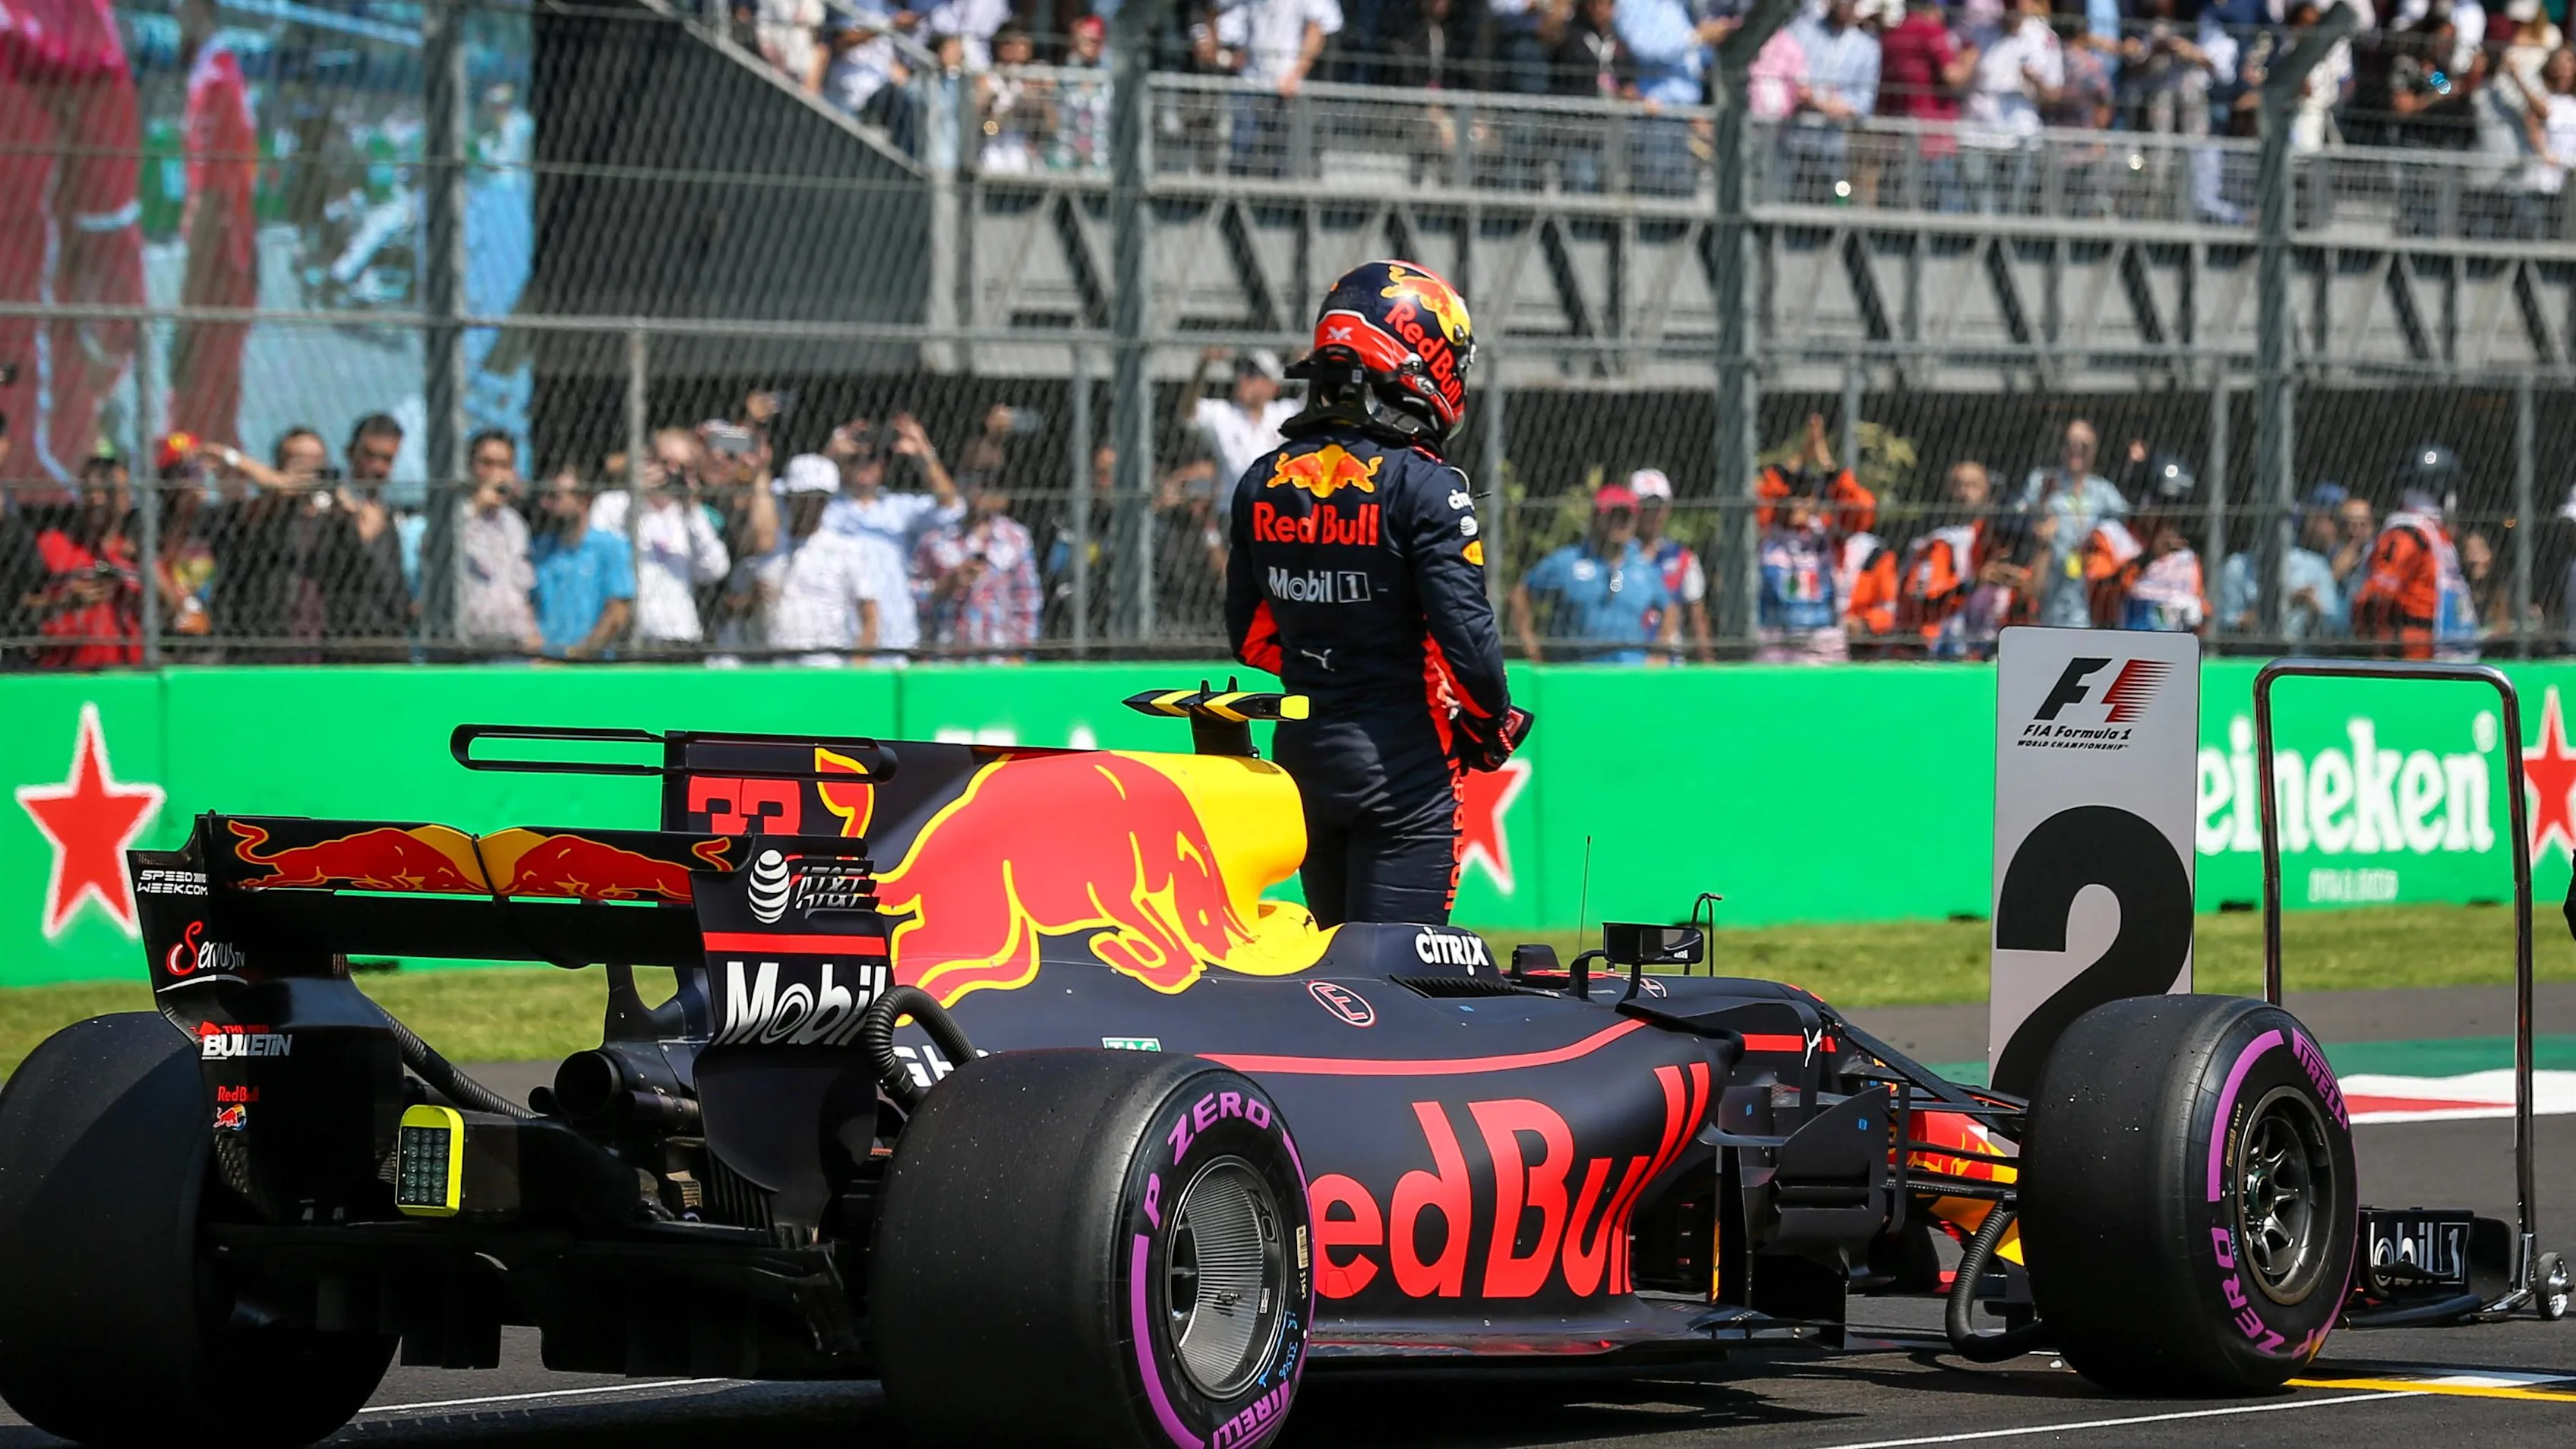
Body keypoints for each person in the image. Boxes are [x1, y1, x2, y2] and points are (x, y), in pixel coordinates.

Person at [1225, 259, 1525, 929]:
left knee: (1339, 991)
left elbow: (1248, 635)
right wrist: (1490, 723)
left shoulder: (1259, 480)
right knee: (1400, 995)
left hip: (1305, 760)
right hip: (1405, 770)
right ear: (1423, 354)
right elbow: (1470, 649)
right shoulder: (1428, 485)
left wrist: (1332, 654)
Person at [168, 0, 256, 450]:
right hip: (225, 255)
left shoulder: (217, 80)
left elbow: (215, 194)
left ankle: (201, 492)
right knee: (207, 390)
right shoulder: (216, 73)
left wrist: (190, 293)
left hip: (220, 260)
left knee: (200, 390)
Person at [824, 413, 962, 661]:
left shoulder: (899, 507)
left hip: (894, 633)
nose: (865, 464)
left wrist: (923, 453)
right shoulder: (826, 507)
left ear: (884, 466)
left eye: (874, 458)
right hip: (839, 635)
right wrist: (831, 453)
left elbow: (952, 508)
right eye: (856, 458)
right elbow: (786, 501)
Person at [590, 428, 731, 651]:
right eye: (667, 464)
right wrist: (637, 497)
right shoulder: (613, 504)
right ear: (649, 460)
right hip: (630, 637)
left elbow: (715, 570)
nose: (673, 473)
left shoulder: (691, 516)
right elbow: (597, 556)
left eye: (684, 469)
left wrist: (691, 508)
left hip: (682, 636)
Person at [1513, 483, 1677, 663]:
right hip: (1576, 672)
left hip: (1630, 674)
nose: (1619, 523)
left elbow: (1669, 609)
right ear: (1596, 517)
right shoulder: (1566, 562)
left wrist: (1659, 654)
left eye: (1625, 517)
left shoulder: (1644, 567)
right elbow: (1522, 593)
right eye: (1612, 516)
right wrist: (1529, 642)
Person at [2350, 444, 2477, 658]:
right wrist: (2384, 657)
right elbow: (2376, 598)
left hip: (2441, 659)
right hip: (2414, 662)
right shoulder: (2407, 534)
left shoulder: (2433, 535)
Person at [761, 453, 881, 665]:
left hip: (826, 664)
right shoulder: (768, 548)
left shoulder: (845, 549)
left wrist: (860, 665)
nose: (811, 506)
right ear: (789, 497)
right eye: (804, 497)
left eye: (819, 499)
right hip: (776, 663)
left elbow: (870, 613)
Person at [27, 451, 141, 666]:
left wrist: (148, 564)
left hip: (127, 678)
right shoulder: (53, 544)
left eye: (107, 489)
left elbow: (174, 611)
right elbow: (16, 607)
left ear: (126, 499)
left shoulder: (139, 557)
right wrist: (63, 602)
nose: (97, 497)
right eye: (89, 489)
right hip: (65, 676)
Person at [915, 475, 1041, 658]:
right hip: (946, 658)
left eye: (989, 484)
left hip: (998, 659)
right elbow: (911, 592)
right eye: (973, 481)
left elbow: (1027, 601)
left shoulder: (1016, 537)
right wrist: (942, 587)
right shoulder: (935, 536)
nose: (979, 490)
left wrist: (1019, 656)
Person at [2081, 453, 2206, 633]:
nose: (2169, 513)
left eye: (2177, 504)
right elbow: (2098, 598)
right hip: (2120, 648)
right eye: (2162, 503)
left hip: (2174, 652)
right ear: (2140, 498)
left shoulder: (2185, 556)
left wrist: (2197, 614)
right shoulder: (2111, 537)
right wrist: (2147, 558)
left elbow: (2204, 616)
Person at [2018, 418, 2126, 628]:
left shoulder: (2104, 491)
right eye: (2070, 444)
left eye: (2084, 446)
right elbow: (2022, 515)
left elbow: (2124, 530)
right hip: (2049, 575)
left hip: (2089, 582)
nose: (2076, 451)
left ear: (2094, 451)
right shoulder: (2044, 481)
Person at [2219, 481, 2348, 640]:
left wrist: (2312, 605)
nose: (2276, 532)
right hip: (2250, 656)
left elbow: (2338, 627)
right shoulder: (2236, 566)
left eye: (2284, 524)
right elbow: (2226, 626)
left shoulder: (2315, 566)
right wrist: (2287, 604)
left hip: (2301, 655)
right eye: (2267, 524)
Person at [532, 468, 636, 659]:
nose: (545, 504)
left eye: (555, 497)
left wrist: (579, 655)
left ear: (585, 500)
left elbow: (618, 612)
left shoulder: (611, 547)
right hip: (541, 666)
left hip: (591, 667)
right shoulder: (538, 549)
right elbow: (526, 603)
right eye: (544, 495)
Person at [454, 429, 538, 655]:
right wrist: (477, 507)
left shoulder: (516, 525)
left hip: (514, 649)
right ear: (471, 467)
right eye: (487, 464)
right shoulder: (456, 516)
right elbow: (436, 554)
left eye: (504, 465)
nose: (496, 474)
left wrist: (532, 632)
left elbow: (523, 587)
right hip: (468, 650)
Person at [1755, 473, 1851, 661]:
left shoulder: (1826, 532)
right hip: (1777, 640)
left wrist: (1831, 472)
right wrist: (1789, 469)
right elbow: (1763, 495)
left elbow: (1859, 510)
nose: (1796, 503)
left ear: (1814, 500)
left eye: (1804, 497)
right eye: (1791, 496)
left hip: (1821, 640)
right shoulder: (1768, 534)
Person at [1194, 349, 1301, 512]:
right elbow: (1189, 412)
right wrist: (1203, 367)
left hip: (1274, 514)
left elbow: (1319, 401)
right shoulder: (1223, 413)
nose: (1243, 378)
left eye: (1252, 373)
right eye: (1240, 371)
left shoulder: (1282, 413)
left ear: (1273, 386)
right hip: (1233, 513)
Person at [1631, 468, 1712, 662]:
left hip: (1669, 664)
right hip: (1628, 661)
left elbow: (1697, 619)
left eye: (1659, 506)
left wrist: (1709, 667)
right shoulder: (1617, 559)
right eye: (1646, 506)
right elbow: (1612, 594)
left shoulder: (1683, 560)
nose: (1654, 514)